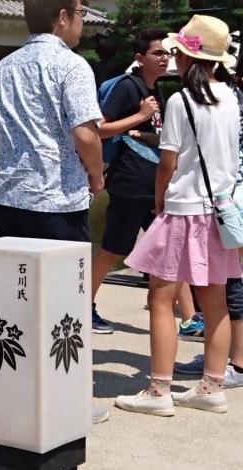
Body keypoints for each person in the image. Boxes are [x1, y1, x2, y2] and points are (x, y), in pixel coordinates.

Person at [0, 0, 109, 423]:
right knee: (64, 304)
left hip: (9, 200)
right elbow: (85, 134)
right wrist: (96, 176)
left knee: (18, 299)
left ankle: (19, 391)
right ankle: (66, 399)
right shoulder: (71, 66)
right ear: (62, 16)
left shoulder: (3, 67)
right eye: (80, 13)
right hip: (57, 200)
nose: (82, 22)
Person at [115, 15, 241, 416]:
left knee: (160, 297)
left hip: (184, 208)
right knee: (215, 300)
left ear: (188, 56)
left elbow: (166, 164)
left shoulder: (181, 101)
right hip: (219, 210)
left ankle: (159, 390)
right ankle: (212, 386)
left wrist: (159, 203)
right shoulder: (231, 98)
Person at [90, 29, 167, 335]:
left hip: (154, 183)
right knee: (112, 248)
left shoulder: (156, 89)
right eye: (157, 53)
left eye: (166, 53)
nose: (164, 58)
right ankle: (82, 305)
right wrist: (140, 115)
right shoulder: (127, 87)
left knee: (166, 250)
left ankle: (188, 317)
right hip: (130, 181)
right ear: (139, 58)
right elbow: (99, 129)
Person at [176, 52, 243, 388]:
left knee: (231, 282)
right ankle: (223, 359)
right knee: (226, 282)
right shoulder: (231, 95)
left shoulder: (228, 96)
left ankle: (237, 363)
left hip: (228, 198)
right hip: (227, 196)